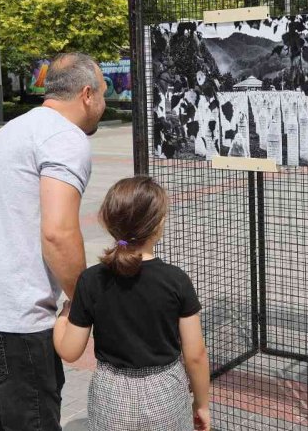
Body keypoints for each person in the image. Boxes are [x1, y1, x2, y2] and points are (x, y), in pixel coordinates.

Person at [0, 52, 107, 431]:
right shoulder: (66, 138)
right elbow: (58, 233)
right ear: (87, 94)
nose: (103, 101)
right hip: (12, 322)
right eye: (104, 91)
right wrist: (86, 304)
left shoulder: (20, 128)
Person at [54, 176, 211, 431]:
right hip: (165, 391)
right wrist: (201, 405)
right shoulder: (176, 280)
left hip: (111, 394)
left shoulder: (91, 280)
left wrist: (64, 315)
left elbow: (70, 350)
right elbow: (195, 356)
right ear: (158, 224)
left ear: (108, 221)